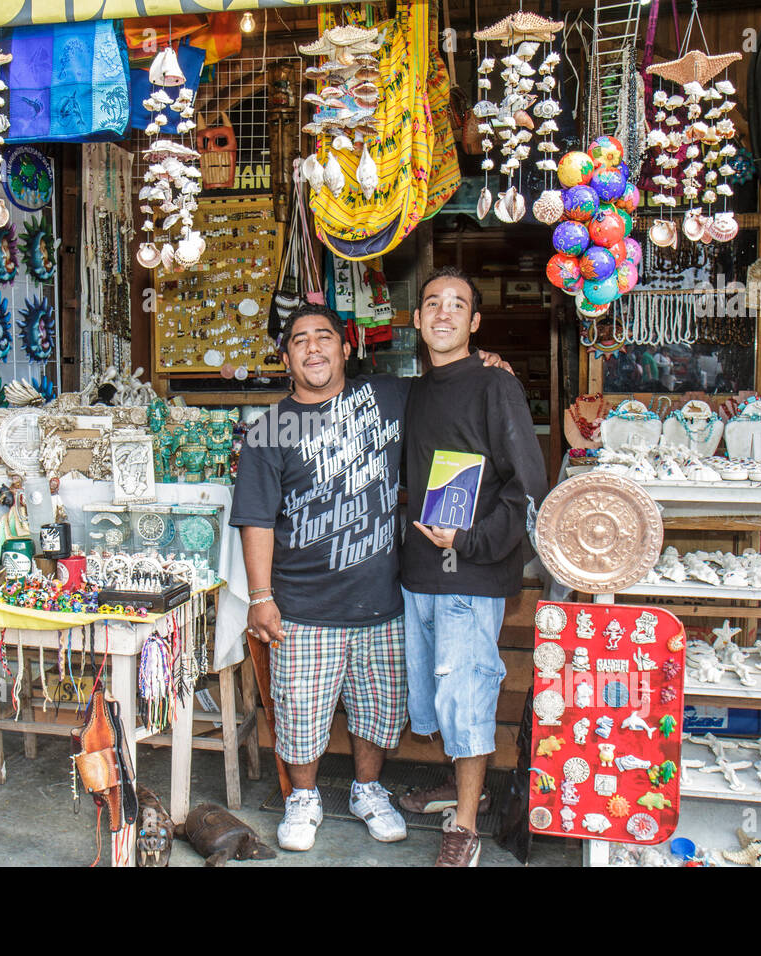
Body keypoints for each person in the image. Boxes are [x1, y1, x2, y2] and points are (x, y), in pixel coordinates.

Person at [230, 305, 410, 852]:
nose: (313, 348)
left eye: (324, 337)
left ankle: (367, 789)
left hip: (382, 599)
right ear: (285, 358)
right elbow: (257, 517)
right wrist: (261, 597)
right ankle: (303, 798)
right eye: (300, 340)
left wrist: (487, 361)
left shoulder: (387, 397)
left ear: (345, 348)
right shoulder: (269, 430)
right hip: (303, 604)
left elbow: (452, 387)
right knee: (301, 714)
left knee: (378, 710)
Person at [399, 266, 548, 866]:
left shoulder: (496, 387)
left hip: (473, 569)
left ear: (475, 322)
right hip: (419, 570)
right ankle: (465, 786)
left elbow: (529, 486)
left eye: (457, 305)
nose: (442, 313)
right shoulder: (412, 391)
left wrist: (476, 539)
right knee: (439, 697)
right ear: (416, 319)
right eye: (432, 303)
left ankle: (464, 826)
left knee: (468, 692)